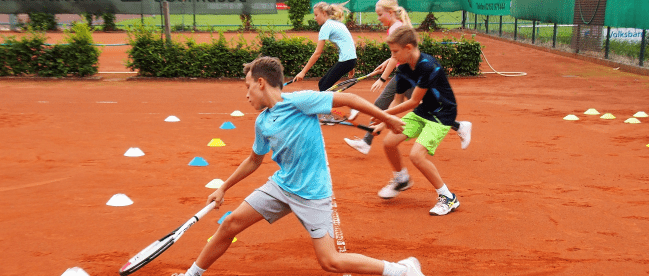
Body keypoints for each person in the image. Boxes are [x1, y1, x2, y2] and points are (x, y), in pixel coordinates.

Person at [176, 56, 423, 276]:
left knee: (331, 262)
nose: (246, 94)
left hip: (313, 193)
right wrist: (224, 188)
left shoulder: (299, 101)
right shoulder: (262, 122)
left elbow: (350, 98)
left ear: (261, 83)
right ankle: (192, 274)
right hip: (281, 186)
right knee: (230, 224)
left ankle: (401, 270)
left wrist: (387, 117)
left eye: (248, 86)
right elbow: (254, 160)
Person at [343, 0, 471, 155]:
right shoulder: (395, 26)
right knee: (422, 106)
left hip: (406, 74)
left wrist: (382, 78)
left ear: (390, 13)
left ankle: (366, 141)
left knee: (384, 104)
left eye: (379, 14)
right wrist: (385, 64)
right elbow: (394, 55)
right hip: (405, 74)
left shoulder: (396, 27)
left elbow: (396, 57)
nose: (378, 18)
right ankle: (459, 126)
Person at [370, 27, 461, 216]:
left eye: (395, 52)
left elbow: (412, 100)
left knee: (417, 156)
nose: (392, 56)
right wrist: (385, 120)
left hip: (442, 115)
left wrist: (384, 115)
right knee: (389, 142)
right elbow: (398, 99)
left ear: (408, 48)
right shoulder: (403, 68)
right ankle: (401, 179)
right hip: (422, 112)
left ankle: (448, 197)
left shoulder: (428, 66)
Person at [293, 1, 357, 97]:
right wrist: (352, 66)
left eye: (316, 15)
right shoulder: (337, 24)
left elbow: (317, 53)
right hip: (350, 60)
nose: (315, 18)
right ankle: (335, 107)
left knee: (324, 87)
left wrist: (303, 72)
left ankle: (346, 104)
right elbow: (352, 44)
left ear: (323, 13)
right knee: (322, 84)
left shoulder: (326, 27)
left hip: (347, 61)